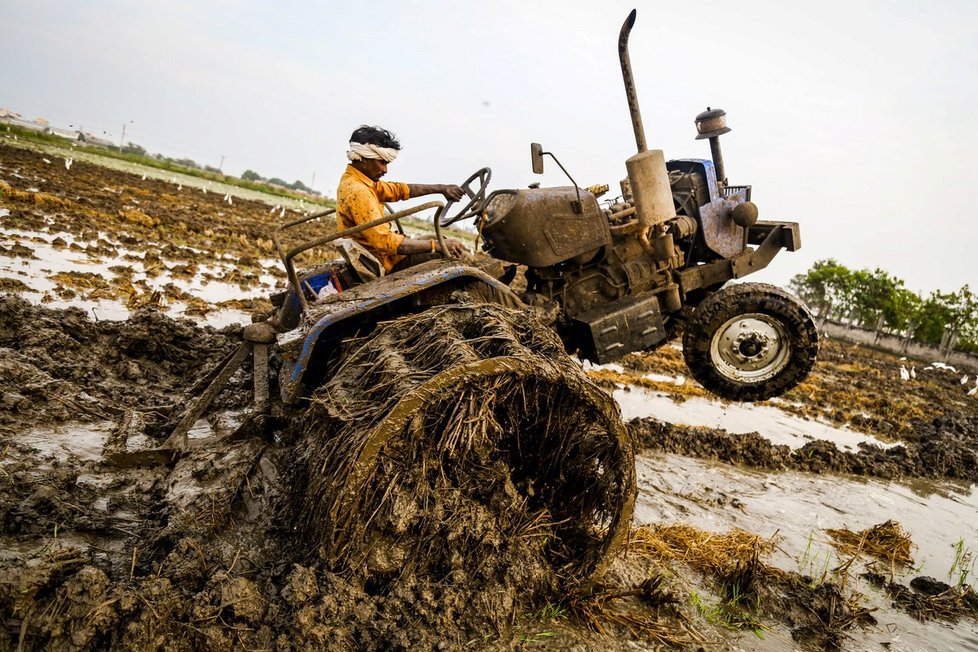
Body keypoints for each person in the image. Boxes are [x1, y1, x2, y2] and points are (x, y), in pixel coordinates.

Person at [336, 125, 469, 274]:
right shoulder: (359, 192)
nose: (385, 170)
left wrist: (441, 188)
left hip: (382, 256)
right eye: (382, 163)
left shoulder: (358, 180)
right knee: (448, 252)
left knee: (440, 239)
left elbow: (398, 190)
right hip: (385, 262)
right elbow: (385, 242)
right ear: (364, 159)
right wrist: (435, 246)